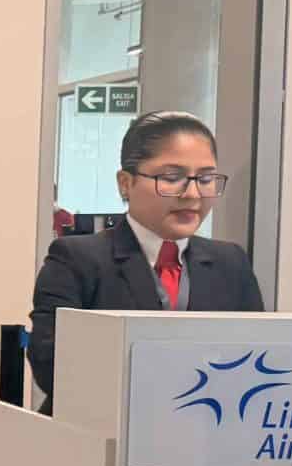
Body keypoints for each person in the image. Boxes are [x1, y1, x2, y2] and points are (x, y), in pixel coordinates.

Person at [29, 110, 264, 405]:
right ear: (125, 183)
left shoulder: (230, 263)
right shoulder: (79, 260)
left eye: (205, 178)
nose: (192, 193)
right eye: (171, 177)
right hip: (98, 436)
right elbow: (51, 367)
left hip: (206, 436)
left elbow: (255, 364)